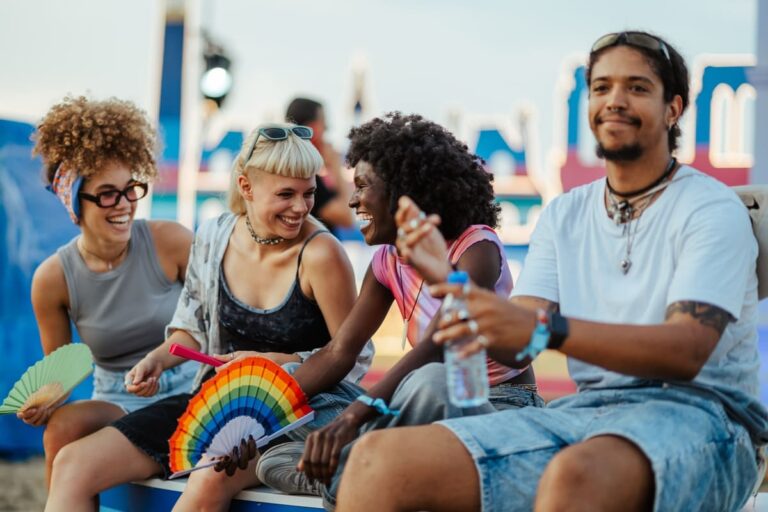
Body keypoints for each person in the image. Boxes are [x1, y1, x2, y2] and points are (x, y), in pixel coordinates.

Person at [336, 32, 768, 512]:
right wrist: (450, 286)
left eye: (637, 87)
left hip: (706, 420)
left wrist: (546, 329)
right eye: (601, 87)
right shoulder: (566, 214)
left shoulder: (710, 209)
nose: (615, 100)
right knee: (377, 461)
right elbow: (514, 341)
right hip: (589, 414)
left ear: (674, 108)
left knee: (577, 475)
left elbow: (686, 351)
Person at [43, 122, 373, 511]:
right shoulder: (214, 234)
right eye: (286, 194)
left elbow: (353, 356)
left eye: (309, 193)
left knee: (208, 477)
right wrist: (159, 359)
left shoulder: (322, 254)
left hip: (302, 411)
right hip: (210, 403)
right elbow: (191, 330)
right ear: (246, 187)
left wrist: (279, 365)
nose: (300, 207)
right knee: (72, 464)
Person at [253, 113, 543, 505]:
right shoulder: (386, 262)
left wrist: (356, 415)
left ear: (405, 192)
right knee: (281, 424)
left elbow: (440, 342)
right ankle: (363, 464)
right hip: (419, 406)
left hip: (496, 403)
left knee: (428, 382)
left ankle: (360, 468)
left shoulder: (477, 247)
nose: (352, 200)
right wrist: (258, 420)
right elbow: (340, 352)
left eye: (362, 187)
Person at [21, 96, 196, 487]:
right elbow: (61, 371)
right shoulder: (53, 278)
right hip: (117, 400)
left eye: (130, 188)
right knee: (61, 428)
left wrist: (164, 361)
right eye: (107, 194)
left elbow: (217, 320)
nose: (124, 205)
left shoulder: (172, 241)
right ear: (74, 205)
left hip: (192, 387)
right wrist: (46, 399)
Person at [285, 97, 354, 230]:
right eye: (324, 124)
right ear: (312, 129)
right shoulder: (306, 179)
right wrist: (336, 166)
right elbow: (347, 218)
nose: (327, 130)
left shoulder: (290, 170)